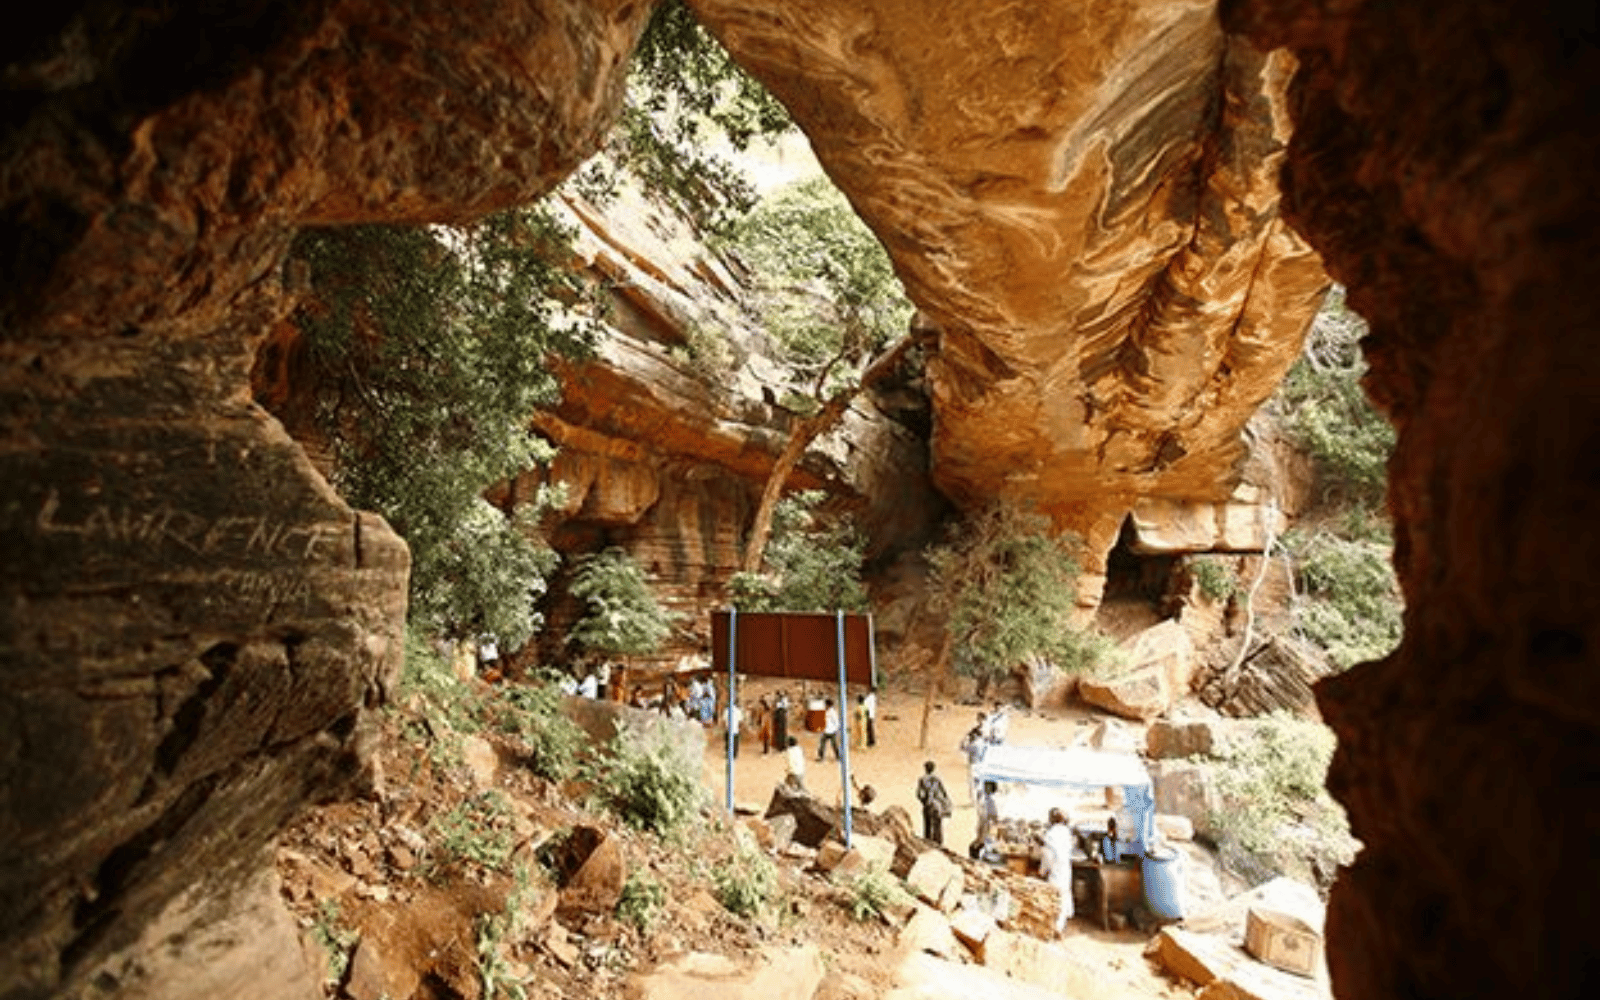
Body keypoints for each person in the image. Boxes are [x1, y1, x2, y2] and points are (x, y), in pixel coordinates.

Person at [1038, 807, 1076, 937]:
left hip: (1055, 870)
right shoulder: (1067, 833)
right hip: (1065, 869)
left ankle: (1054, 929)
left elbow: (1047, 856)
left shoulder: (1050, 834)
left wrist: (1042, 871)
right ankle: (1059, 928)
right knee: (1063, 895)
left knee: (1054, 897)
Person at [916, 761, 953, 844]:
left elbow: (918, 794)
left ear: (925, 768)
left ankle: (928, 842)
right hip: (936, 804)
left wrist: (923, 801)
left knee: (927, 825)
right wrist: (945, 803)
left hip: (927, 805)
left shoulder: (922, 779)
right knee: (938, 826)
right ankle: (938, 843)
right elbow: (944, 793)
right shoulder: (937, 779)